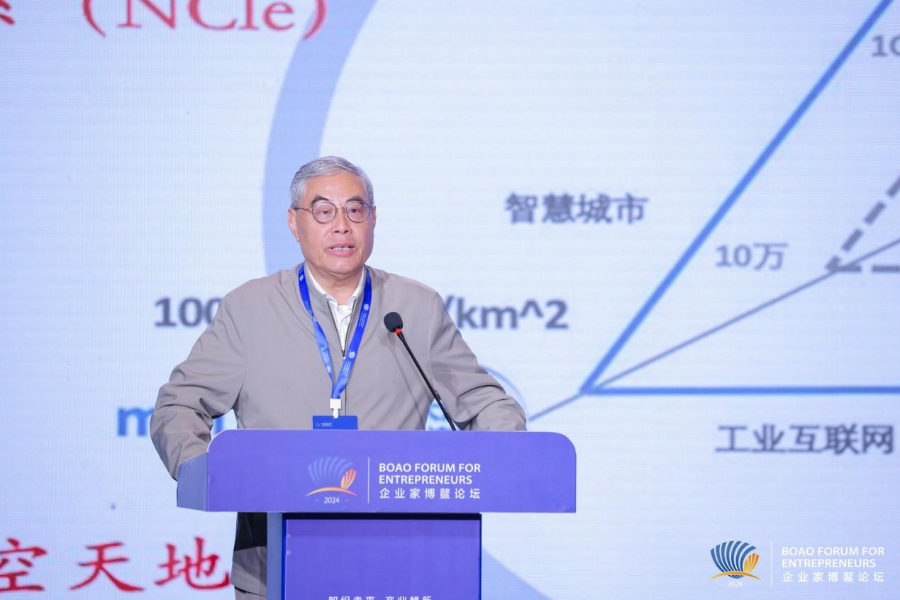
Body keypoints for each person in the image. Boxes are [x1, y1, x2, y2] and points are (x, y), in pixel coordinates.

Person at [150, 156, 527, 599]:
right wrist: (205, 470)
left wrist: (505, 455)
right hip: (275, 567)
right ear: (294, 222)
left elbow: (485, 402)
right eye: (324, 211)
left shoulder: (415, 308)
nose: (342, 226)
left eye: (355, 210)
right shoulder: (249, 309)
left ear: (373, 219)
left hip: (400, 568)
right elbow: (179, 406)